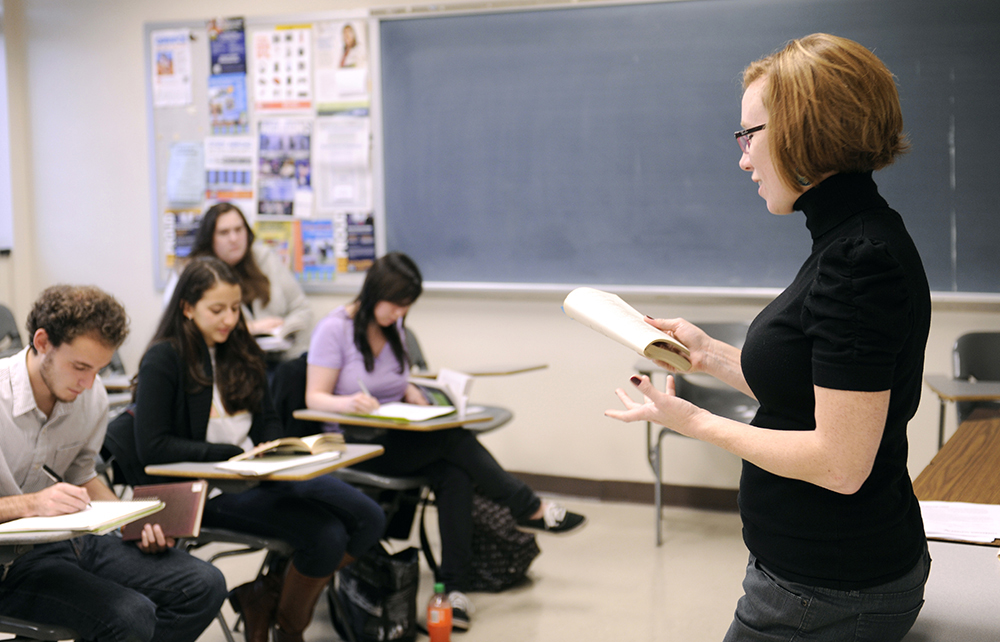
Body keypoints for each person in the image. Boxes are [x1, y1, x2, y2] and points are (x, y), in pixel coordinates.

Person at [607, 34, 931, 642]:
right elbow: (815, 386)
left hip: (829, 589)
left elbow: (840, 464)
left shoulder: (858, 260)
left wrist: (692, 421)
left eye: (749, 135)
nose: (743, 158)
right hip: (821, 578)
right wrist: (707, 356)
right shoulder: (853, 237)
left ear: (804, 131)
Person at [304, 251, 587, 632]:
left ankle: (454, 591)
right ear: (374, 292)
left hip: (398, 437)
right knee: (455, 441)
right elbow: (314, 398)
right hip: (354, 445)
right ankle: (527, 506)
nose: (398, 314)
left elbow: (395, 379)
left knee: (453, 473)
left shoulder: (394, 329)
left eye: (406, 308)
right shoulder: (333, 329)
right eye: (395, 305)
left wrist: (412, 389)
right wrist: (348, 402)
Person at [119, 257, 386, 642]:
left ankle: (265, 592)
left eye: (234, 308)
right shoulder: (165, 358)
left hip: (261, 474)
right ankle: (290, 629)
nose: (229, 319)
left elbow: (269, 420)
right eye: (217, 310)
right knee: (325, 536)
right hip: (206, 489)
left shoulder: (241, 349)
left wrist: (273, 446)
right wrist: (227, 454)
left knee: (369, 517)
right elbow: (154, 448)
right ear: (187, 307)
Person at [0, 285, 227, 641]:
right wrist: (31, 503)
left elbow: (82, 475)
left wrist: (131, 521)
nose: (89, 383)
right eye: (79, 367)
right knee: (130, 616)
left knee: (203, 585)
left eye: (99, 369)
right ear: (42, 342)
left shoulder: (91, 395)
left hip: (69, 539)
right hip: (9, 562)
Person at [164, 202, 312, 357]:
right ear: (209, 237)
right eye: (224, 232)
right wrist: (251, 329)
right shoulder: (194, 271)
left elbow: (302, 308)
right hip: (223, 360)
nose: (234, 238)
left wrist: (283, 330)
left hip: (278, 358)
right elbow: (182, 326)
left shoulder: (264, 258)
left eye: (238, 229)